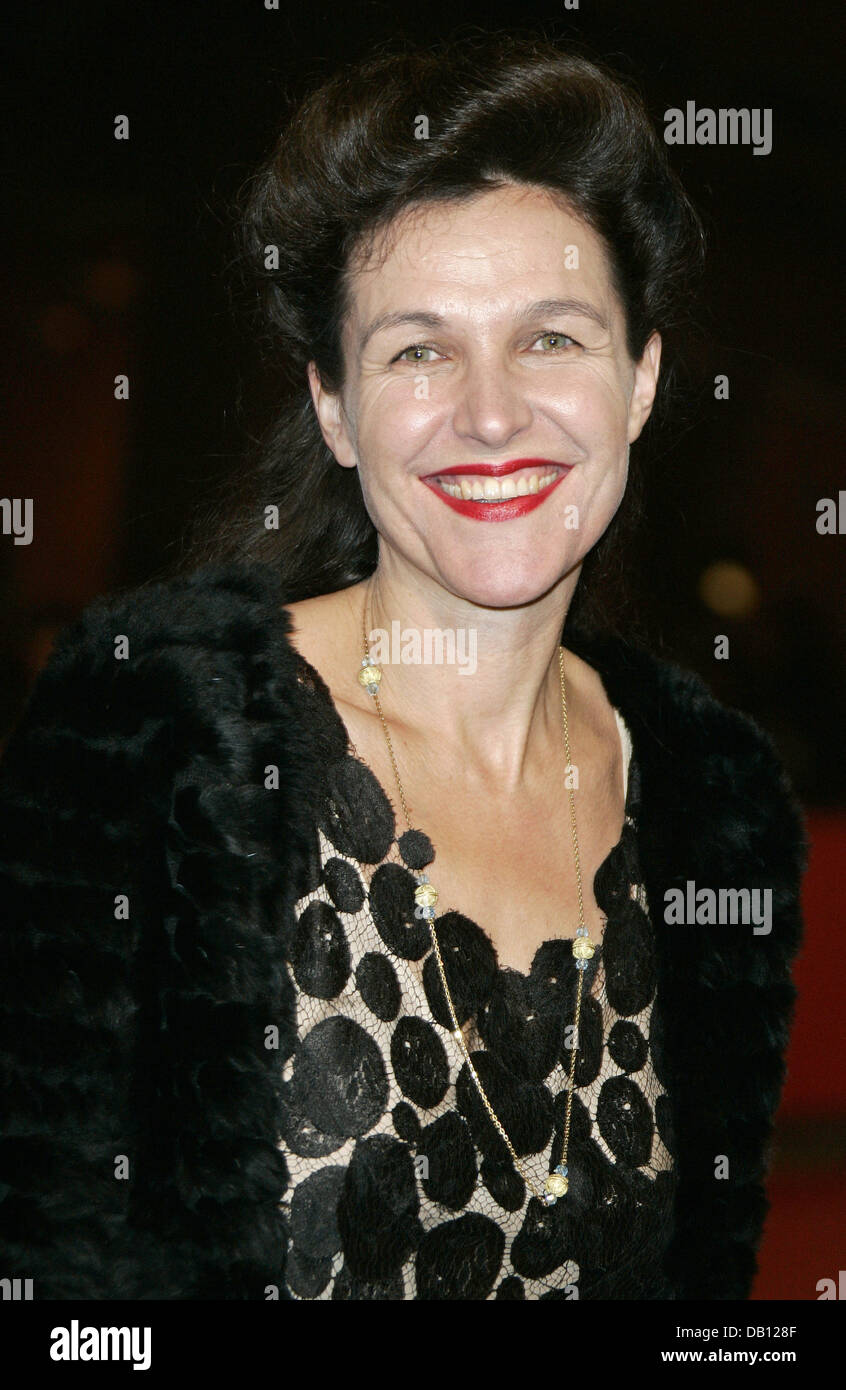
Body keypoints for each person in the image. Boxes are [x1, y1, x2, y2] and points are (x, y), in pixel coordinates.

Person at [0, 34, 806, 1301]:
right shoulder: (162, 727)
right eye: (419, 350)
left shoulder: (716, 797)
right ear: (332, 403)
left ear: (640, 380)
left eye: (552, 339)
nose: (491, 414)